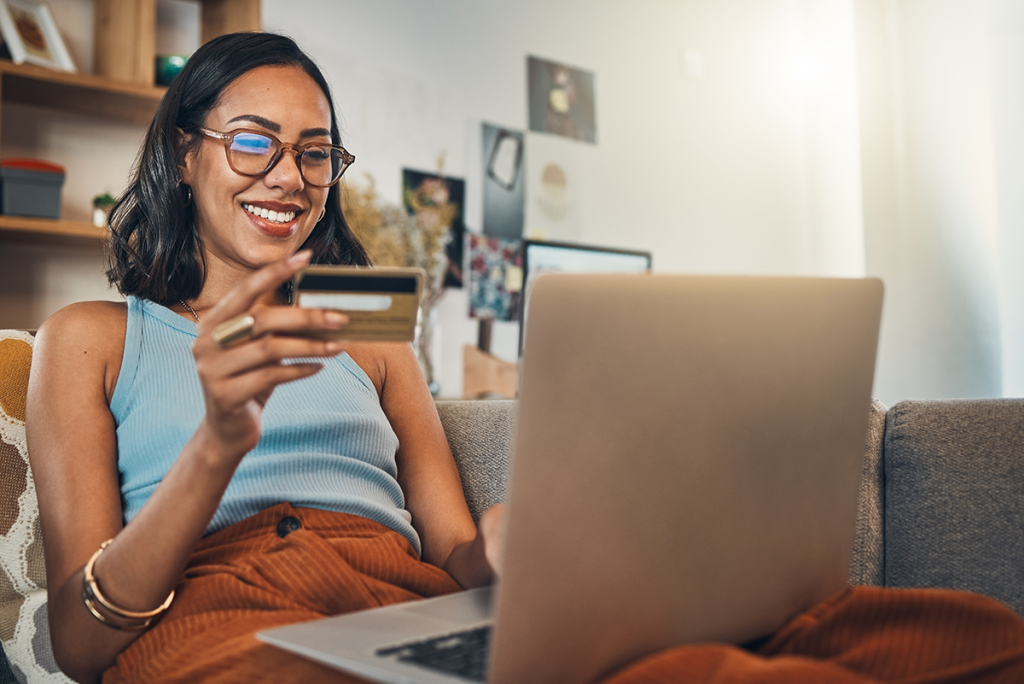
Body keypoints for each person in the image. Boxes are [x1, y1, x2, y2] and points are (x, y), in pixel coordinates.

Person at [26, 32, 502, 684]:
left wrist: (500, 553)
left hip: (404, 608)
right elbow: (81, 647)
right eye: (253, 142)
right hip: (218, 615)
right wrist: (217, 444)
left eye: (314, 153)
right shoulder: (89, 341)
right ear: (184, 154)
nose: (288, 178)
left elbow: (451, 553)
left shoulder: (371, 338)